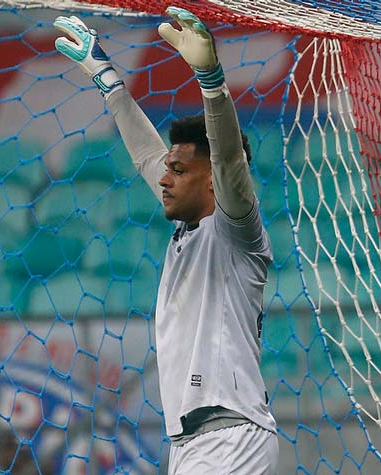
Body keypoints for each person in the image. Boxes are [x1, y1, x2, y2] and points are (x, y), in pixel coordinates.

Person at [54, 8, 279, 474]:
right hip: (192, 443)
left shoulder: (237, 231)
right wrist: (109, 81)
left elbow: (230, 159)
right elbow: (144, 156)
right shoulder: (187, 229)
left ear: (214, 180)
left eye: (179, 171)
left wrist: (211, 80)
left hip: (229, 439)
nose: (164, 179)